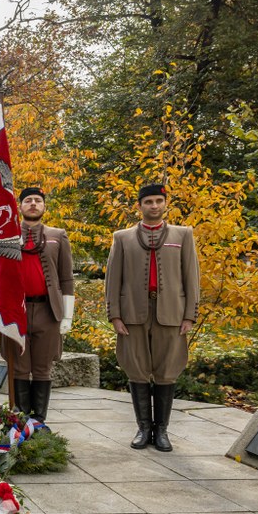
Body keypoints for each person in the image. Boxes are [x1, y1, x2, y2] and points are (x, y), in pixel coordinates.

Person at [106, 183, 199, 452]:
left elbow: (190, 277)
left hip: (171, 312)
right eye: (149, 202)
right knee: (136, 369)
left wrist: (190, 315)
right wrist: (115, 315)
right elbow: (113, 279)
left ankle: (162, 431)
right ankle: (143, 428)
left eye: (159, 200)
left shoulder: (183, 235)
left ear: (165, 204)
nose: (154, 205)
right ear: (140, 205)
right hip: (133, 313)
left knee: (167, 372)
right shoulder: (121, 237)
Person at [0, 187, 75, 423]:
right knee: (20, 368)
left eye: (38, 201)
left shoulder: (58, 235)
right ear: (20, 206)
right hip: (16, 312)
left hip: (48, 310)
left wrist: (68, 316)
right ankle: (21, 423)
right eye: (28, 200)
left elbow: (66, 277)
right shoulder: (6, 235)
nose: (33, 204)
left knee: (43, 368)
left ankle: (39, 423)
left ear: (44, 206)